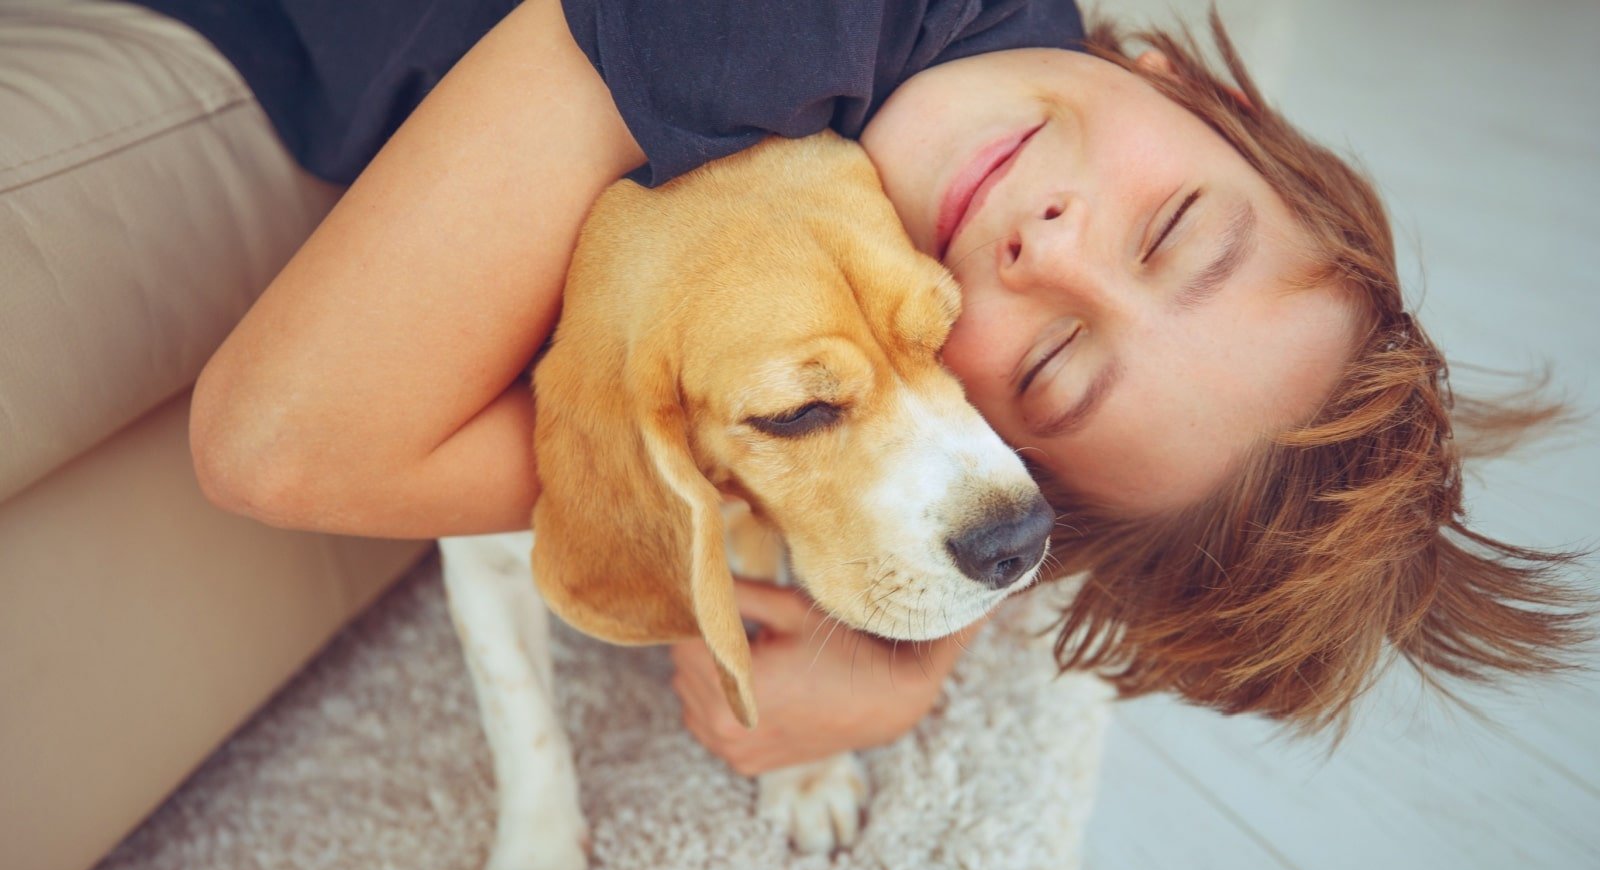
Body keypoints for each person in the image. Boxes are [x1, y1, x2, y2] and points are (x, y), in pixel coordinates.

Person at [122, 0, 1586, 774]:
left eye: (1057, 361)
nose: (1057, 248)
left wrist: (915, 664)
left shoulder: (946, 92)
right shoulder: (776, 27)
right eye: (1176, 230)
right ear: (1215, 97)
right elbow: (277, 444)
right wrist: (740, 452)